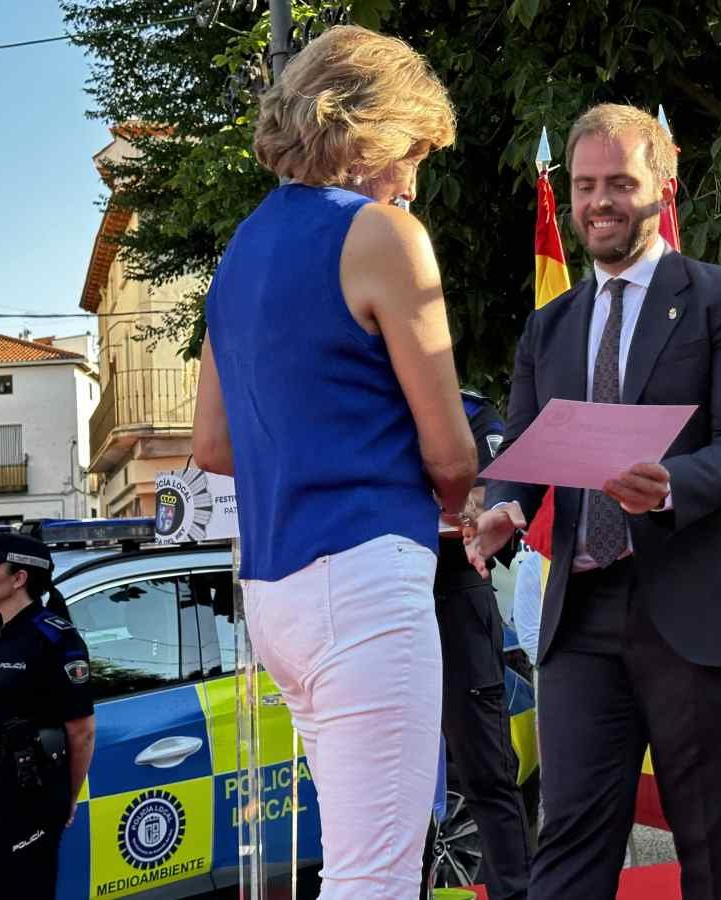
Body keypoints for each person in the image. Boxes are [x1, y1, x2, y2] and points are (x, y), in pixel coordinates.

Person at [466, 103, 721, 900]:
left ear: (663, 184)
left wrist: (672, 484)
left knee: (716, 849)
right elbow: (526, 456)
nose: (598, 203)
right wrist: (506, 505)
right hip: (581, 618)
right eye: (584, 187)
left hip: (700, 611)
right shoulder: (548, 328)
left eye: (619, 182)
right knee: (570, 847)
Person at [191, 24, 477, 899]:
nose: (415, 178)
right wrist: (463, 477)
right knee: (378, 880)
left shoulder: (237, 255)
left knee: (355, 870)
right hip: (366, 578)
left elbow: (211, 446)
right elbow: (451, 455)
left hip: (277, 592)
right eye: (413, 152)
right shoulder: (385, 235)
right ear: (372, 131)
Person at [423, 389, 531, 900]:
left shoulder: (467, 411)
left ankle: (515, 891)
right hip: (385, 603)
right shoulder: (370, 403)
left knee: (484, 768)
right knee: (395, 774)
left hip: (454, 599)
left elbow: (486, 503)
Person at [0, 534, 96, 900]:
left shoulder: (55, 639)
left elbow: (82, 731)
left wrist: (68, 797)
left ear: (19, 578)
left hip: (26, 794)